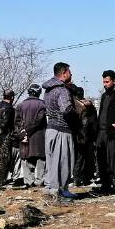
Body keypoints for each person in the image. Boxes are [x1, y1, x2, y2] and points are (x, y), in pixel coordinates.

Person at [41, 63, 78, 202]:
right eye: (69, 72)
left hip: (50, 128)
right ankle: (59, 192)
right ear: (64, 73)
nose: (71, 75)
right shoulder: (62, 90)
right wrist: (77, 119)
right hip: (61, 130)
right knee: (63, 162)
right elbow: (66, 109)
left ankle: (52, 189)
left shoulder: (48, 90)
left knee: (52, 162)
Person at [16, 84, 47, 187]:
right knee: (40, 159)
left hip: (25, 138)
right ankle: (39, 181)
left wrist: (23, 133)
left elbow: (17, 122)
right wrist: (28, 131)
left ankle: (28, 181)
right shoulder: (42, 105)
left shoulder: (20, 105)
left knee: (25, 159)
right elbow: (39, 120)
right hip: (39, 137)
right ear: (38, 93)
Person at [72, 86, 98, 187]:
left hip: (80, 135)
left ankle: (77, 178)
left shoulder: (75, 105)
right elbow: (94, 121)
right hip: (87, 136)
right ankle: (85, 178)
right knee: (87, 159)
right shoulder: (88, 106)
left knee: (79, 158)